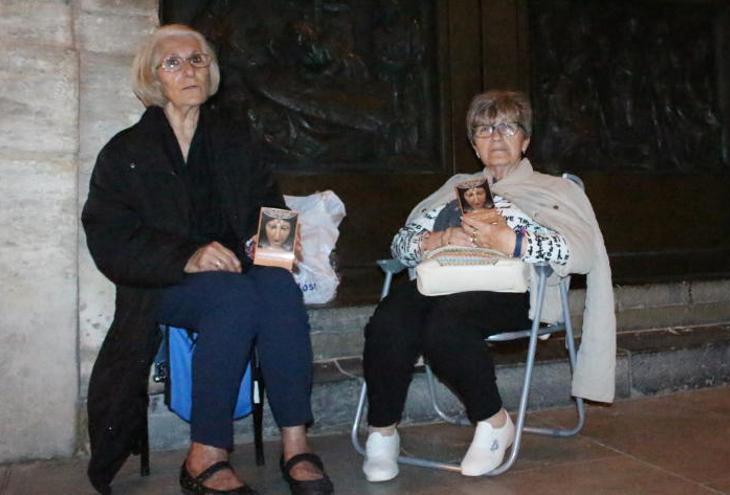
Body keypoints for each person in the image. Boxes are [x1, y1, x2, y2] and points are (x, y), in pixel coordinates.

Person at [81, 24, 333, 495]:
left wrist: (275, 246)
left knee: (278, 286)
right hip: (163, 284)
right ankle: (205, 454)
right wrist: (188, 255)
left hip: (236, 270)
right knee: (232, 298)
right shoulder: (125, 153)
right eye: (173, 62)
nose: (188, 70)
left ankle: (296, 442)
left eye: (197, 60)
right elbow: (110, 239)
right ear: (154, 78)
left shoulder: (236, 139)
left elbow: (269, 207)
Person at [360, 90, 617, 481]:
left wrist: (511, 240)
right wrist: (438, 240)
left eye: (508, 127)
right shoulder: (455, 187)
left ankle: (493, 421)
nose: (496, 137)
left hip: (512, 289)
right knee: (388, 321)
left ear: (525, 141)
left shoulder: (555, 190)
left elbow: (579, 254)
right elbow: (401, 244)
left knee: (446, 325)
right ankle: (382, 433)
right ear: (475, 145)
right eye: (484, 129)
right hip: (443, 277)